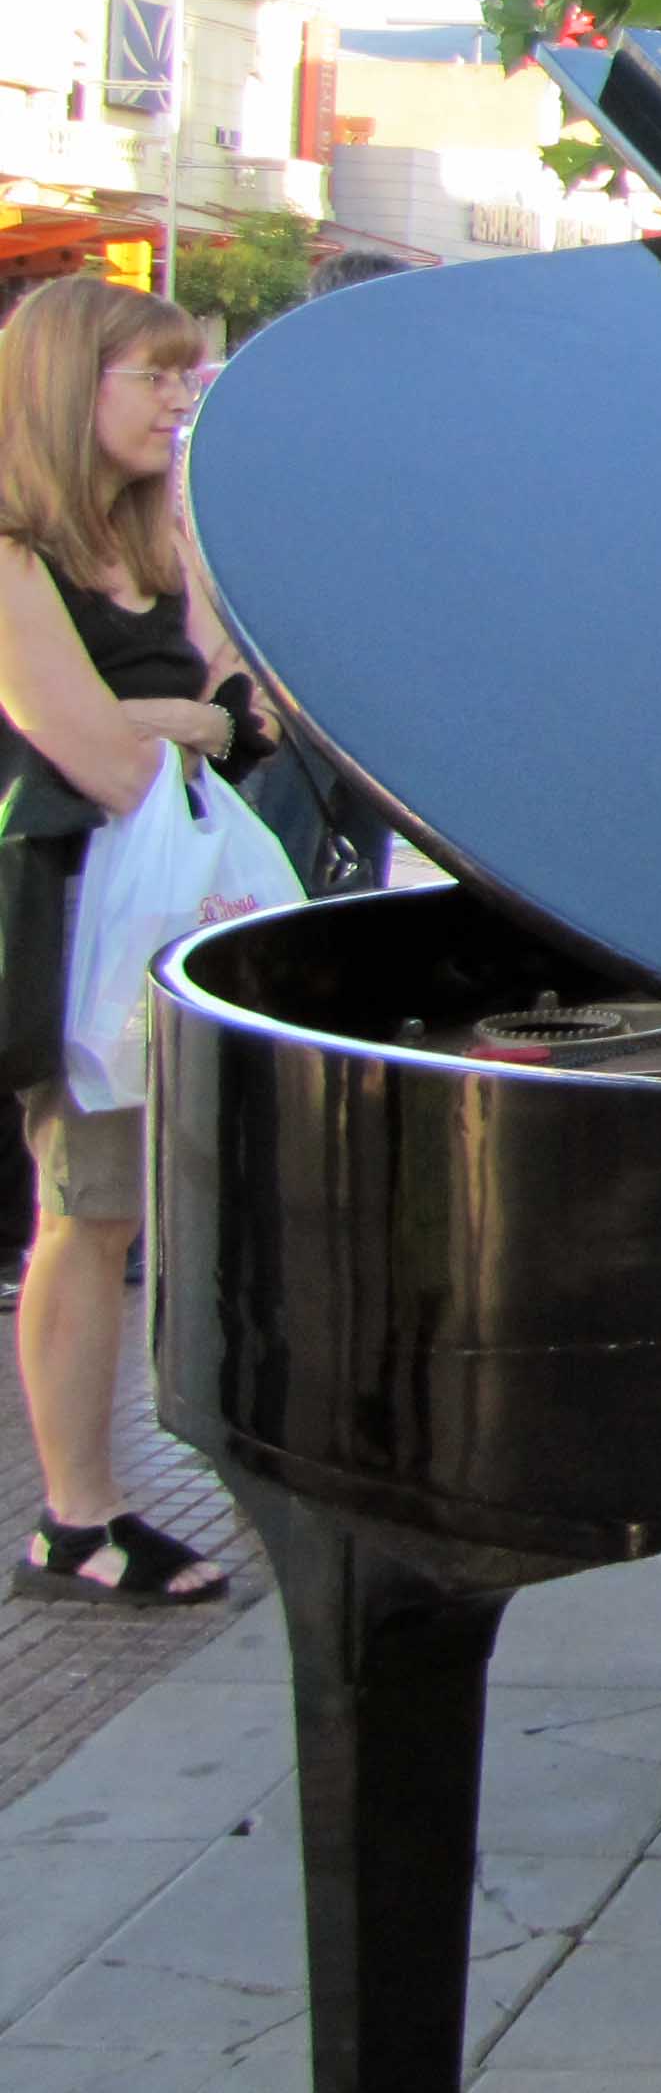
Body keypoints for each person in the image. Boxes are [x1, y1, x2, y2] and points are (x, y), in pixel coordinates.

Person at [0, 278, 261, 1605]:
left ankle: (235, 1469)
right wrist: (193, 726)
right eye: (153, 376)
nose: (177, 399)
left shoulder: (163, 534)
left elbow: (242, 697)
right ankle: (75, 1516)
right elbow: (92, 751)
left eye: (185, 374)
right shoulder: (12, 549)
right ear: (65, 385)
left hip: (188, 903)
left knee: (204, 1195)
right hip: (79, 914)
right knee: (88, 1209)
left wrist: (192, 718)